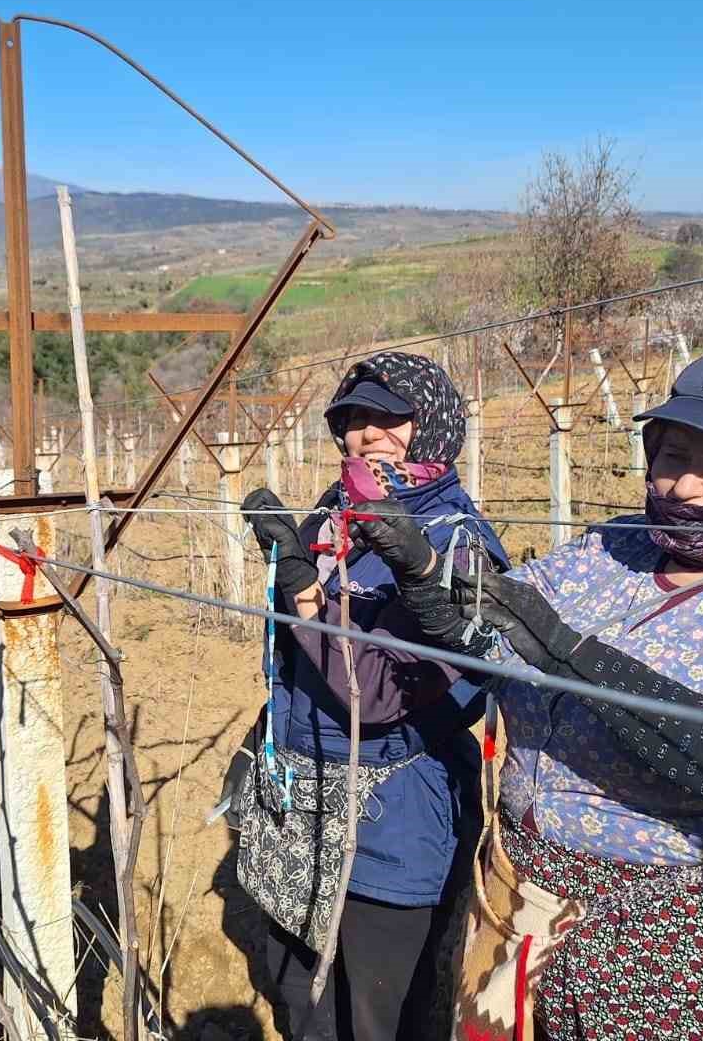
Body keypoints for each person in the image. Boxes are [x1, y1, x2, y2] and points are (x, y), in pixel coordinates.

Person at [352, 343, 703, 1041]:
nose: (685, 486)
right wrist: (425, 571)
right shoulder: (618, 550)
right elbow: (497, 630)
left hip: (686, 932)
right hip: (530, 900)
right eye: (672, 457)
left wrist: (575, 658)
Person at [233, 352, 507, 1040]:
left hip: (391, 826)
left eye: (390, 417)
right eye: (353, 420)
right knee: (301, 997)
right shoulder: (332, 516)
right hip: (301, 805)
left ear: (434, 425)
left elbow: (380, 694)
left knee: (379, 1016)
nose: (366, 434)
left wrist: (302, 593)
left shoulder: (456, 545)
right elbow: (292, 665)